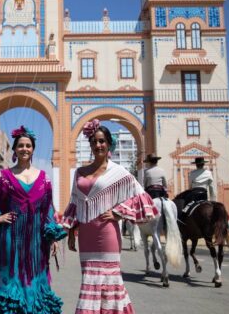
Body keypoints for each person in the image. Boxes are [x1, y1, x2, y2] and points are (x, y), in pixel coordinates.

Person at [0, 125, 66, 314]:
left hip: (37, 243)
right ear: (14, 149)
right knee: (11, 284)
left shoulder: (44, 179)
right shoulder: (3, 177)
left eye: (28, 145)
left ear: (33, 149)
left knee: (36, 285)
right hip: (10, 239)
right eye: (20, 145)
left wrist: (52, 238)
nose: (24, 149)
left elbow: (48, 209)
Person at [62, 120, 158, 314]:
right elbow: (75, 202)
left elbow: (142, 196)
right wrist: (72, 230)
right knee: (89, 280)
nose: (98, 145)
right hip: (87, 236)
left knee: (110, 281)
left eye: (102, 141)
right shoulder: (80, 172)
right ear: (90, 145)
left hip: (107, 233)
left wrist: (117, 212)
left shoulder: (119, 172)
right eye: (94, 141)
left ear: (108, 144)